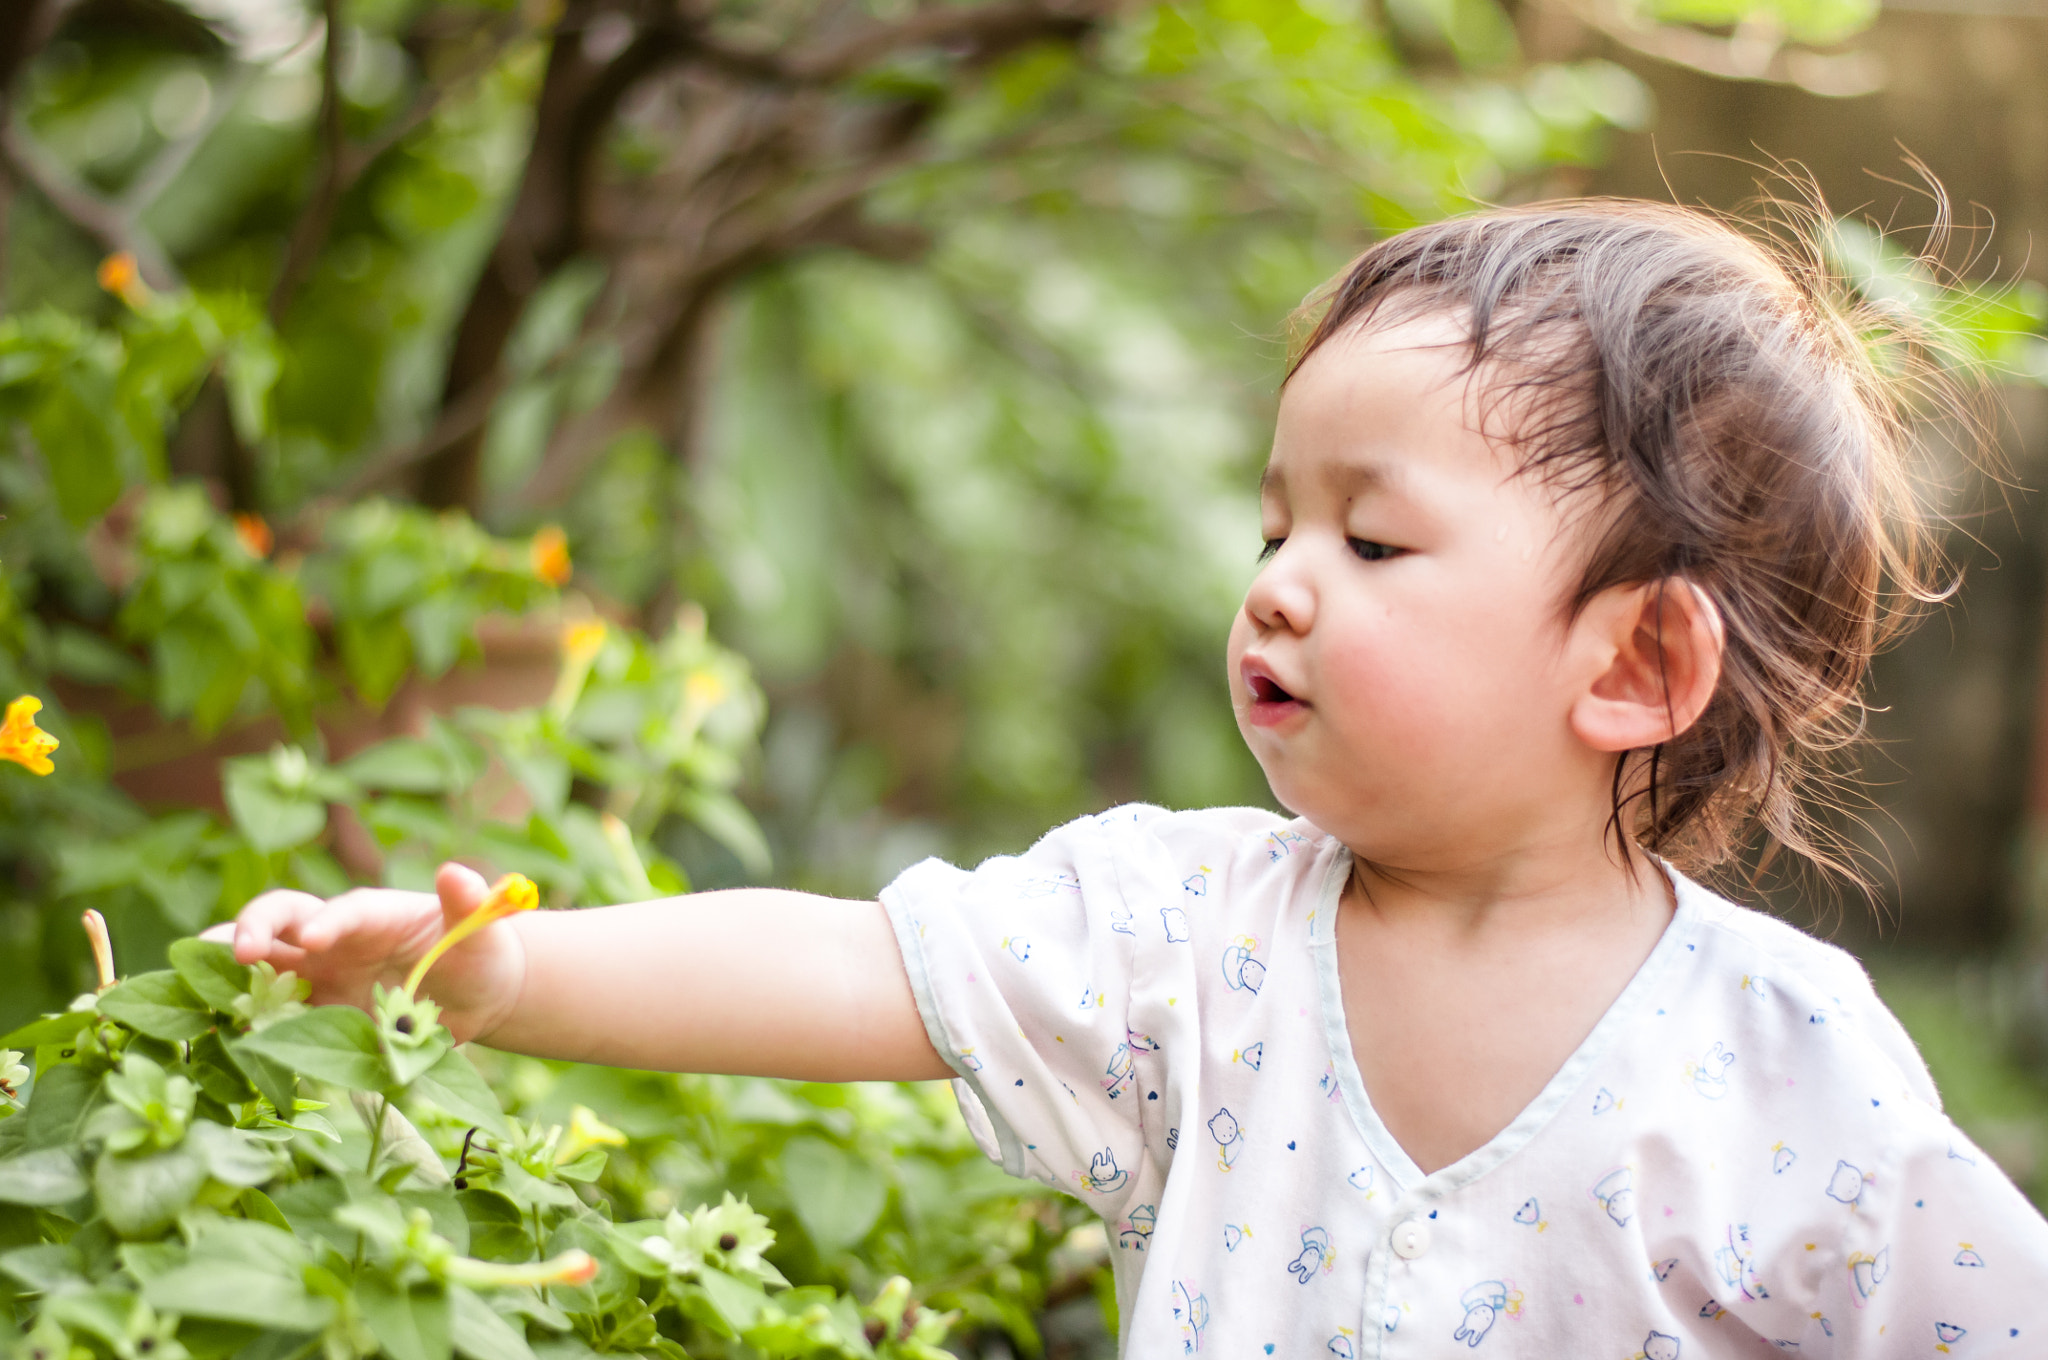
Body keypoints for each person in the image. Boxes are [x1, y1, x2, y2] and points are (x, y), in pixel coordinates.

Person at [214, 200, 2048, 1357]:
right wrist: (507, 975)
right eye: (1276, 517)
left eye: (1375, 541)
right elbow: (857, 965)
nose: (1277, 580)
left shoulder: (1784, 1062)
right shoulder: (1189, 931)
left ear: (1636, 664)